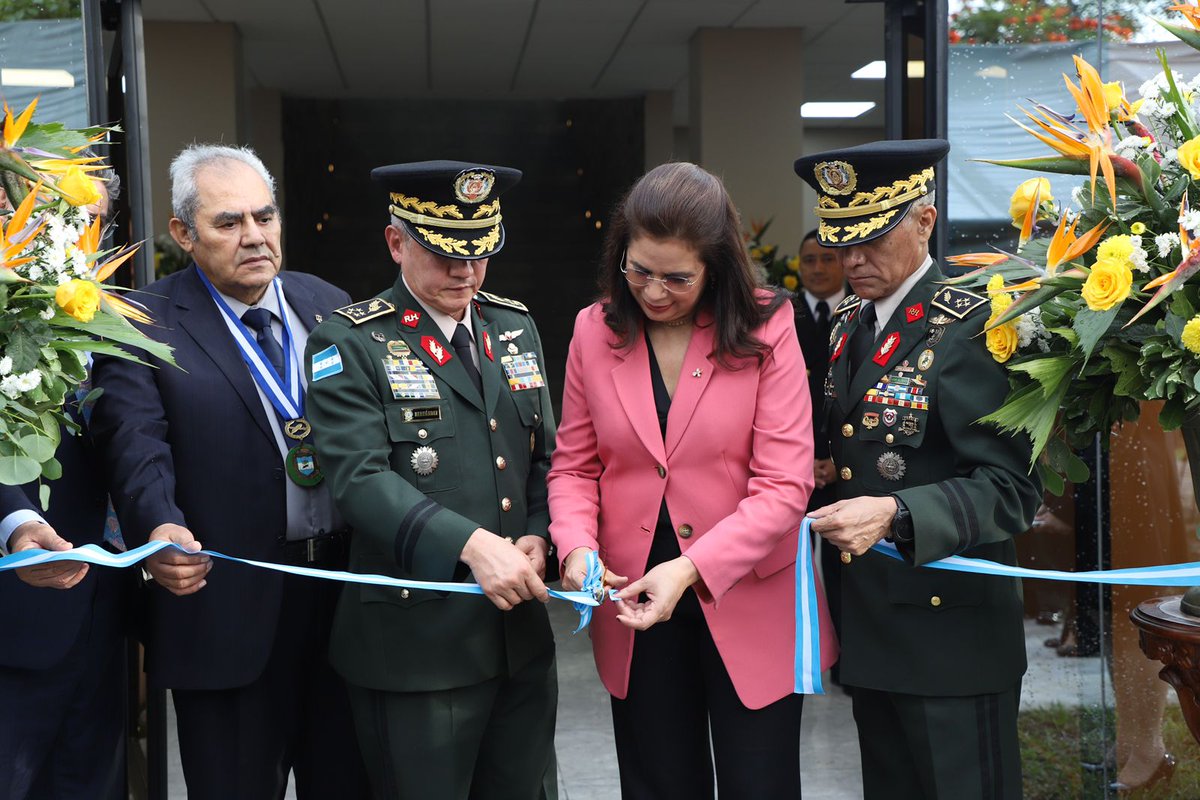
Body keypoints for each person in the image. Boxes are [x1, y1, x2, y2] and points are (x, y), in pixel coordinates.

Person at [547, 162, 838, 800]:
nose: (653, 292)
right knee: (658, 780)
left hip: (747, 588)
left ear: (717, 267)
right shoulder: (593, 331)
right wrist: (574, 546)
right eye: (639, 269)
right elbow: (574, 466)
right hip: (634, 597)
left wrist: (689, 568)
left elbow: (785, 484)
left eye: (677, 278)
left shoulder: (767, 325)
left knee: (757, 781)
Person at [89, 144, 367, 798]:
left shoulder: (327, 303)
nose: (254, 237)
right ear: (184, 233)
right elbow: (135, 442)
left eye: (264, 218)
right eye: (229, 223)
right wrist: (158, 525)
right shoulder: (141, 321)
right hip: (226, 607)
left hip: (344, 607)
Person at [303, 160, 558, 800]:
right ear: (396, 242)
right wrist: (475, 546)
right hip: (417, 647)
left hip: (519, 641)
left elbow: (546, 457)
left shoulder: (513, 327)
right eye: (444, 253)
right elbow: (359, 480)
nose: (464, 272)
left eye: (479, 253)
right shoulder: (351, 342)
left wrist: (539, 534)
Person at [797, 139, 1041, 800]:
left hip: (950, 640)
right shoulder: (852, 321)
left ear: (926, 221)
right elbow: (862, 445)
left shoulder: (971, 324)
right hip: (874, 628)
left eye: (872, 240)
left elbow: (1010, 487)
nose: (852, 260)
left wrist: (897, 513)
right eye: (841, 242)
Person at [0, 171, 129, 800]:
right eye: (63, 218)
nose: (82, 237)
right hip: (16, 613)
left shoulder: (118, 319)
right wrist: (16, 523)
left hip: (105, 611)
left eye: (94, 223)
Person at [793, 227, 848, 681]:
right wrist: (799, 464)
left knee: (843, 566)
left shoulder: (860, 313)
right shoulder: (780, 315)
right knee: (786, 569)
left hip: (842, 468)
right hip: (790, 468)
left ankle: (845, 661)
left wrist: (833, 460)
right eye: (808, 260)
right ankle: (794, 655)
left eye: (826, 259)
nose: (817, 268)